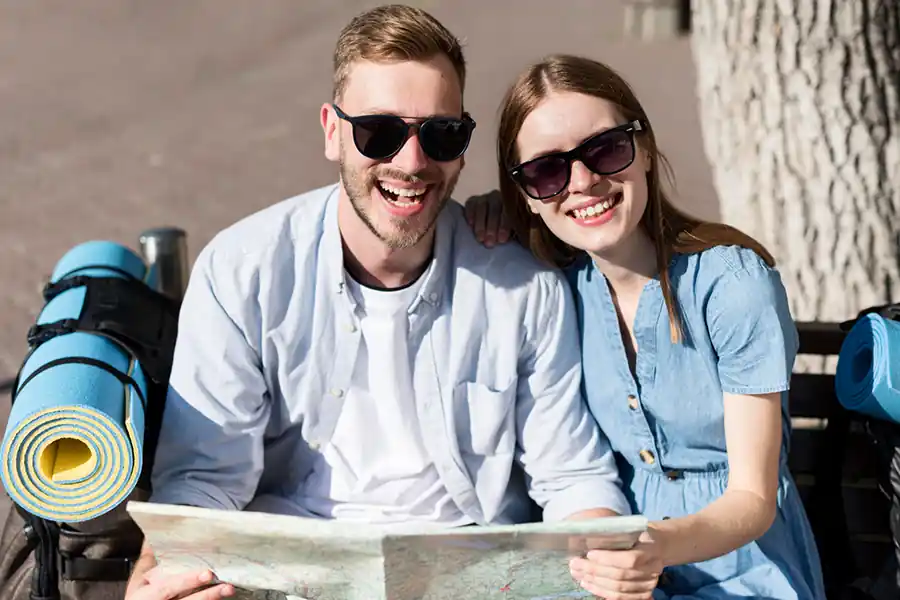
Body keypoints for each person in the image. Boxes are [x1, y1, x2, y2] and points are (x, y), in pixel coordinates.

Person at [125, 8, 634, 600]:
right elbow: (203, 480)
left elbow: (569, 473)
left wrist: (605, 559)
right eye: (379, 132)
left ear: (463, 147)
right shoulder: (244, 271)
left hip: (471, 572)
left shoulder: (522, 284)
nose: (412, 162)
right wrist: (157, 577)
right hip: (289, 570)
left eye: (441, 134)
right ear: (332, 131)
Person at [465, 54, 826, 599]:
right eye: (546, 170)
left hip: (743, 567)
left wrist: (655, 546)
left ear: (647, 149)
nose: (583, 182)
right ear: (526, 194)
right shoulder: (558, 284)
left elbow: (753, 498)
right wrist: (489, 210)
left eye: (605, 149)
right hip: (611, 564)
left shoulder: (731, 283)